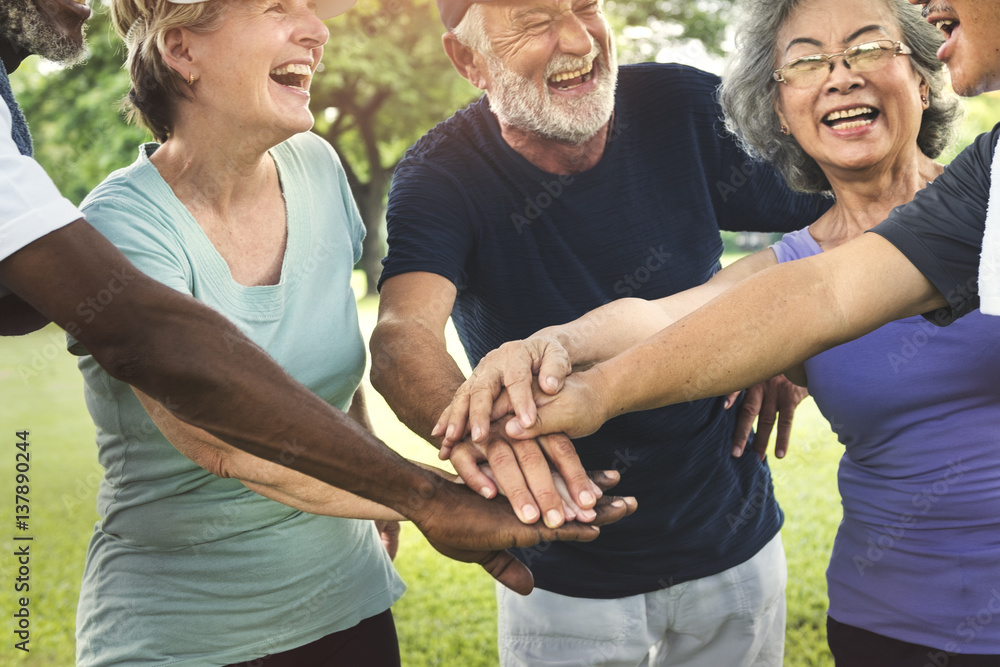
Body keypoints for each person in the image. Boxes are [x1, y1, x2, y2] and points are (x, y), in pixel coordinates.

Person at [61, 1, 634, 665]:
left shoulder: (315, 168)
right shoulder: (120, 226)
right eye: (280, 8)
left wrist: (375, 494)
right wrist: (426, 497)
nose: (316, 30)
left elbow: (334, 375)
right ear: (182, 51)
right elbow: (221, 441)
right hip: (184, 634)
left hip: (349, 605)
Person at [439, 0, 1000, 663]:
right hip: (892, 622)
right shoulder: (792, 267)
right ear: (781, 111)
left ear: (922, 71)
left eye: (870, 49)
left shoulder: (986, 193)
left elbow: (816, 300)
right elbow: (673, 314)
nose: (841, 76)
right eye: (807, 62)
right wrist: (551, 345)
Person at [370, 0, 833, 663]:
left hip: (731, 536)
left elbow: (850, 201)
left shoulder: (683, 105)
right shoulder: (440, 175)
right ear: (469, 60)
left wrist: (788, 339)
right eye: (534, 22)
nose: (577, 38)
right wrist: (502, 447)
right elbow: (399, 338)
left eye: (587, 6)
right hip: (563, 565)